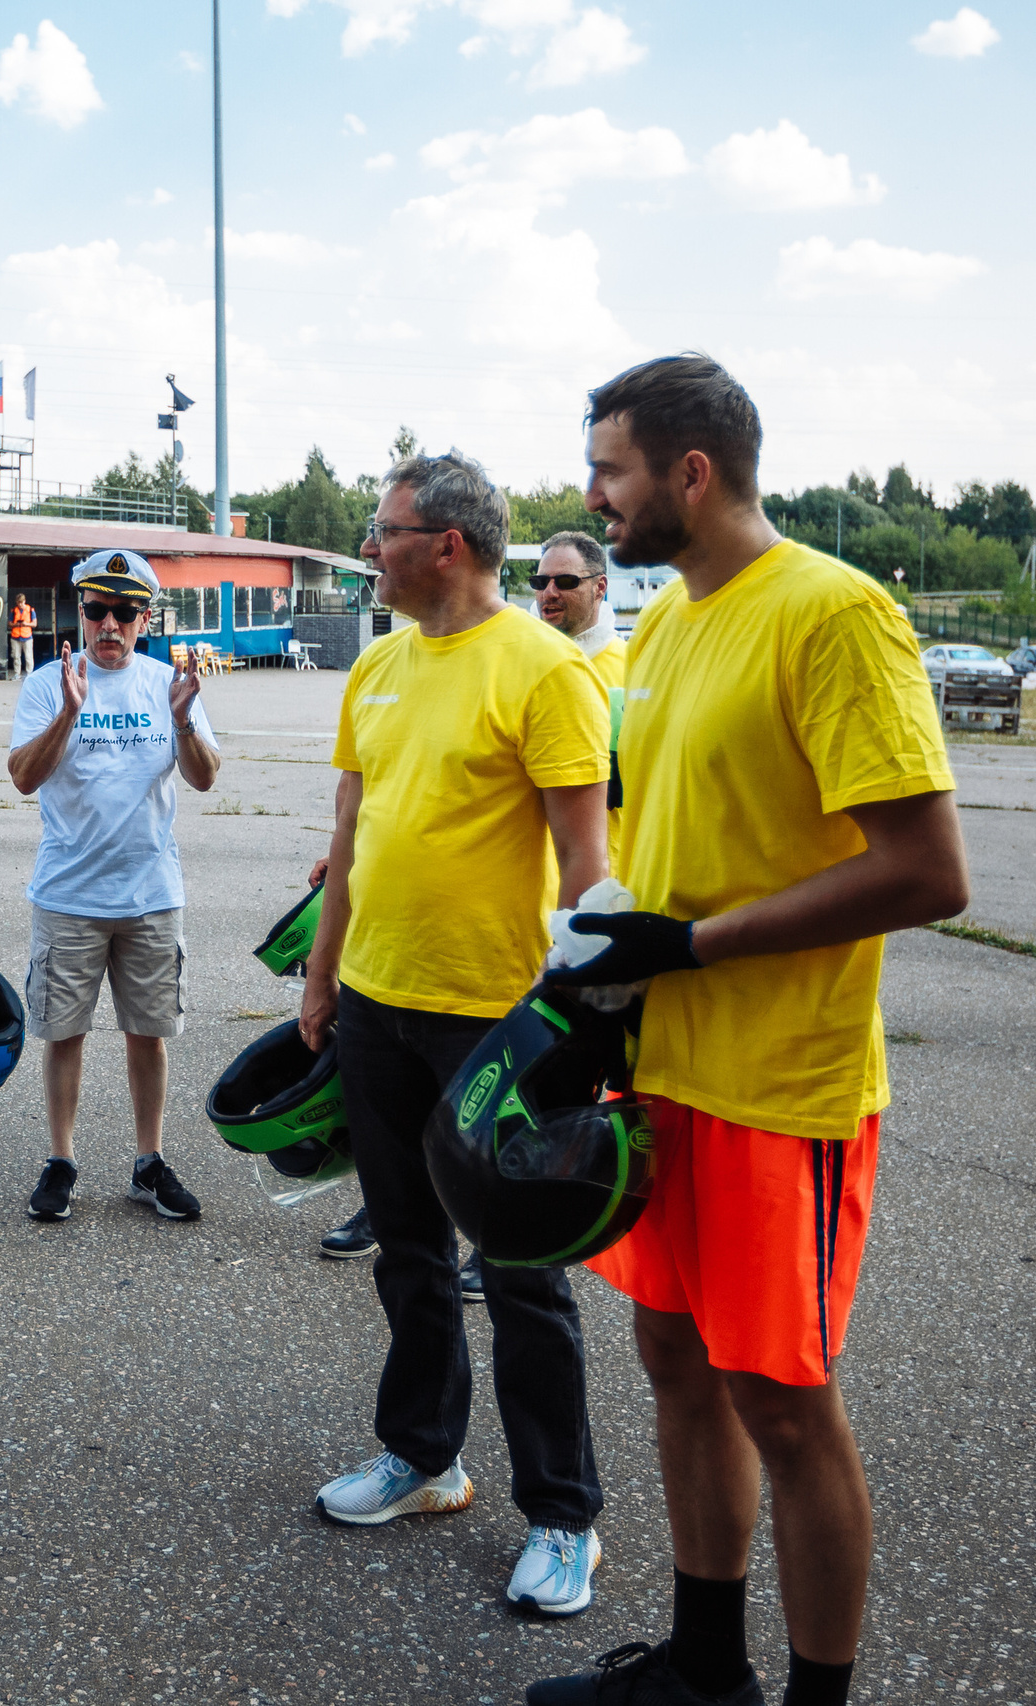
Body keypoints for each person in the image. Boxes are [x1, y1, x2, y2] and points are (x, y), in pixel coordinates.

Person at [528, 356, 968, 1706]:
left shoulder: (834, 614)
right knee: (671, 1355)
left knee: (782, 1398)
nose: (594, 499)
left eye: (610, 470)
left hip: (785, 1087)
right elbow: (662, 856)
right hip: (665, 1072)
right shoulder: (658, 629)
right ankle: (704, 1665)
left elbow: (928, 869)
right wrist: (599, 995)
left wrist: (698, 947)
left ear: (690, 473)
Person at [299, 451, 614, 1618]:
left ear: (448, 544)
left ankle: (563, 1515)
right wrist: (323, 976)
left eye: (382, 531)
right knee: (406, 1253)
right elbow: (350, 829)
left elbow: (588, 868)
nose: (367, 549)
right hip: (378, 1004)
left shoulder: (543, 669)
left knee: (523, 1271)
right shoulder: (376, 664)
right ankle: (425, 1455)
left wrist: (576, 1026)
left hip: (497, 1024)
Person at [6, 549, 219, 1223]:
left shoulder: (167, 684)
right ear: (80, 611)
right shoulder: (48, 683)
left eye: (124, 613)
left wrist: (184, 720)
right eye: (96, 610)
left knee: (146, 1033)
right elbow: (22, 776)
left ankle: (148, 1163)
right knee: (63, 1032)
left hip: (151, 893)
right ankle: (62, 1160)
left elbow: (206, 776)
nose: (108, 625)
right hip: (69, 894)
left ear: (143, 618)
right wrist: (68, 714)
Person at [531, 530, 624, 676]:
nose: (549, 593)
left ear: (600, 587)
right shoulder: (516, 662)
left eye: (565, 581)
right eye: (540, 582)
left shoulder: (631, 667)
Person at [9, 593, 36, 677]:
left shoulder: (30, 610)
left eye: (21, 602)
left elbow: (34, 624)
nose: (20, 604)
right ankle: (17, 673)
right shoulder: (13, 611)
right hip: (15, 637)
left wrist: (26, 624)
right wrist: (15, 624)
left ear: (24, 601)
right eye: (18, 602)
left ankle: (29, 673)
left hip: (27, 637)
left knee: (28, 657)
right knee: (16, 657)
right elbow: (9, 623)